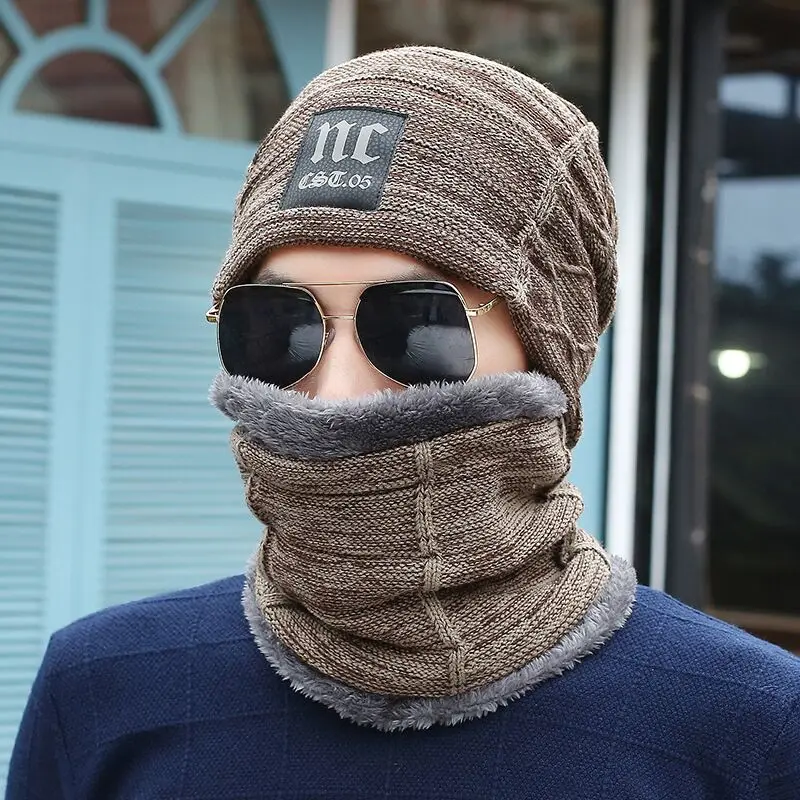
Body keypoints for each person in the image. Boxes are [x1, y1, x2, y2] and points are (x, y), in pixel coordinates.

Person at [7, 46, 800, 800]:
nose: (337, 393)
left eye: (415, 324)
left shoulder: (752, 728)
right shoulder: (103, 690)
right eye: (277, 323)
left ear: (547, 346)